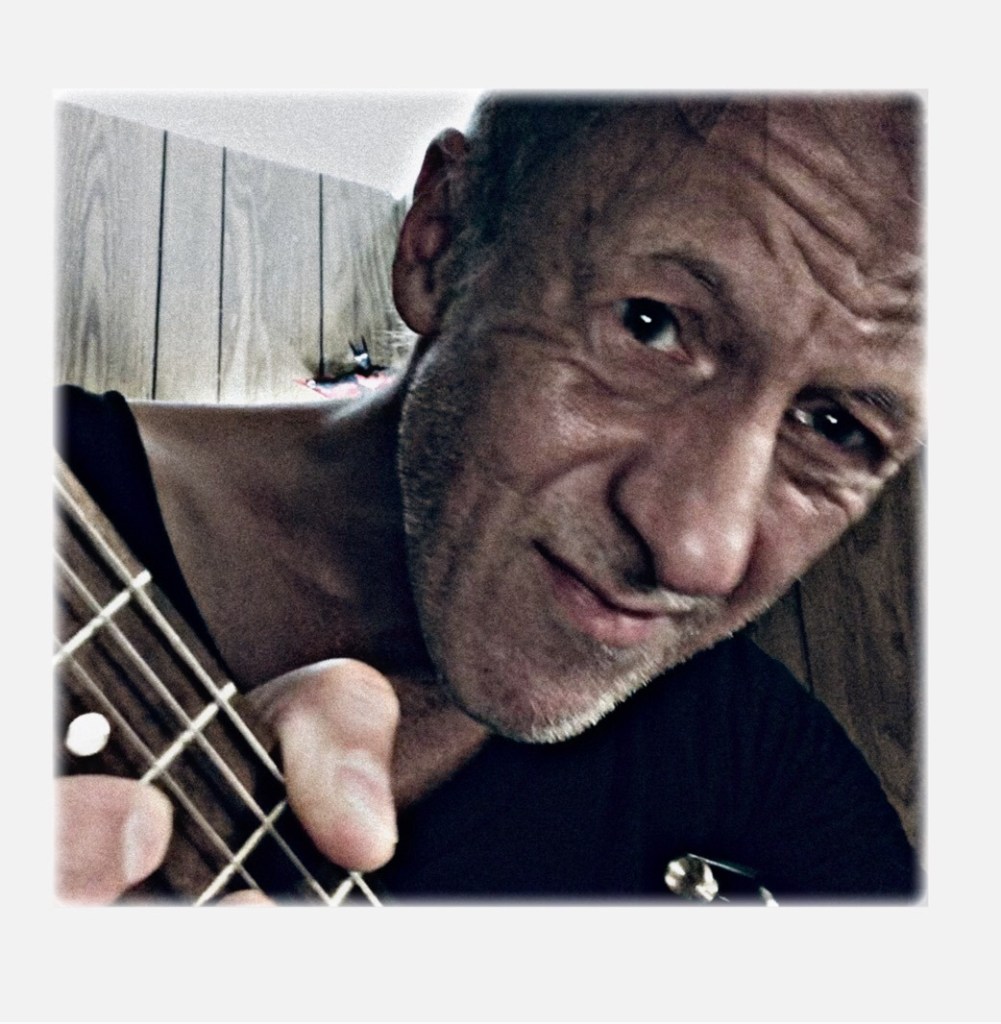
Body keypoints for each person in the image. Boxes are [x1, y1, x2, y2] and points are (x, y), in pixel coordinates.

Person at [56, 93, 923, 904]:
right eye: (648, 324)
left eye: (836, 428)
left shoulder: (756, 763)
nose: (699, 552)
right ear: (441, 241)